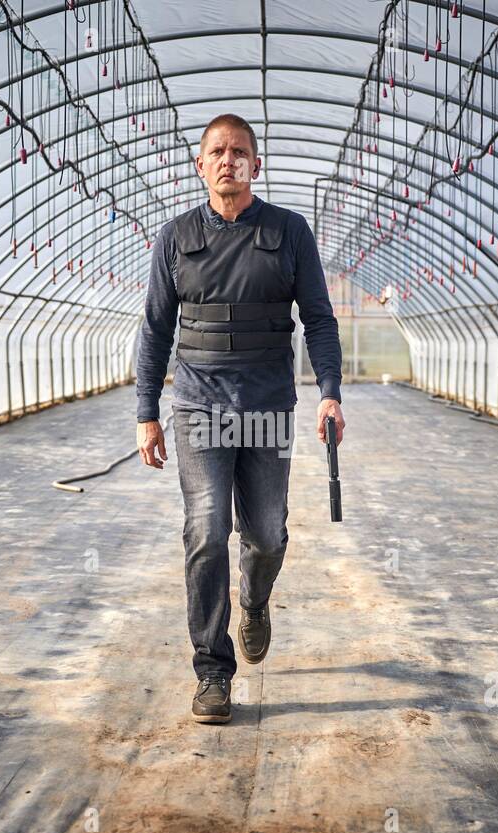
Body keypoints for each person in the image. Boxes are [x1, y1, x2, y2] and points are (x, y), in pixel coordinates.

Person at [134, 113, 345, 724]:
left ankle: (253, 601)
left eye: (240, 152)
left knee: (267, 535)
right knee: (205, 531)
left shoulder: (289, 232)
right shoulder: (175, 238)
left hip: (268, 405)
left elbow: (321, 320)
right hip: (199, 405)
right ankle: (211, 672)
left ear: (257, 164)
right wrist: (147, 412)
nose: (228, 160)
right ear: (201, 166)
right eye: (217, 152)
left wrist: (329, 391)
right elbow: (155, 329)